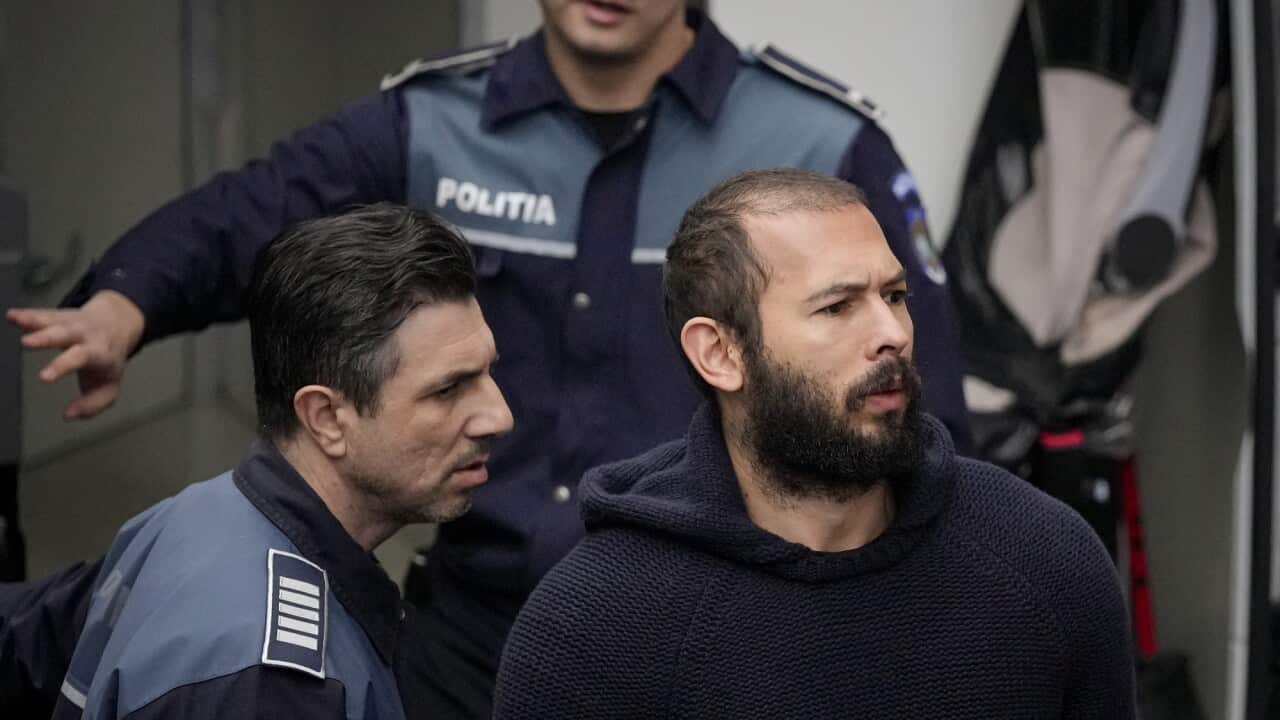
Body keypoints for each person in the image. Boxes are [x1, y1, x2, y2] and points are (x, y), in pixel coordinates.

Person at [5, 2, 972, 715]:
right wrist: (127, 300)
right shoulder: (435, 121)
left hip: (705, 631)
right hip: (471, 637)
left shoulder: (817, 141)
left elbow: (914, 410)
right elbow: (259, 210)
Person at [493, 169, 1135, 718]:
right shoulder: (593, 627)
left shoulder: (1044, 560)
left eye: (895, 296)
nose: (892, 334)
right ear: (720, 353)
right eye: (838, 307)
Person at [13, 203, 514, 719]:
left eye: (488, 373)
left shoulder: (189, 517)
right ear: (326, 418)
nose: (499, 416)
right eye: (449, 388)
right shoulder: (274, 689)